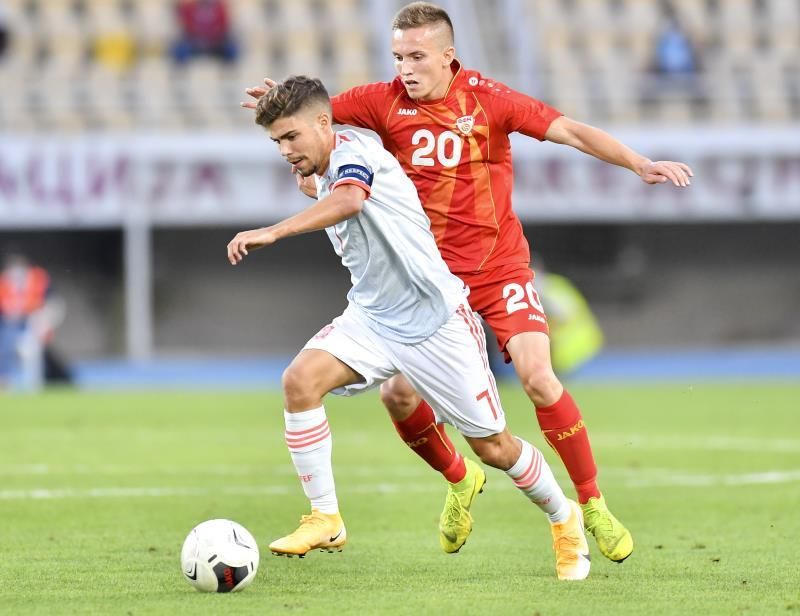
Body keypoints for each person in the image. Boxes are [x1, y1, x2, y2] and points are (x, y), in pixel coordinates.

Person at [242, 1, 694, 563]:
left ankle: (591, 503)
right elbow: (313, 118)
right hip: (425, 274)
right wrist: (277, 99)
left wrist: (638, 162)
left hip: (496, 266)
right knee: (397, 395)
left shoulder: (489, 99)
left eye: (416, 56)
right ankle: (458, 481)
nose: (404, 68)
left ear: (447, 55)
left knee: (537, 378)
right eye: (397, 56)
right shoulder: (380, 101)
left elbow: (570, 130)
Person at [227, 75, 591, 581]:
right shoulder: (315, 170)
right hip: (373, 317)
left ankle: (564, 516)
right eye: (277, 142)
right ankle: (326, 517)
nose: (285, 151)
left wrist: (275, 230)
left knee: (494, 445)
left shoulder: (356, 152)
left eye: (292, 138)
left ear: (324, 122)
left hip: (435, 321)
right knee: (299, 382)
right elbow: (326, 188)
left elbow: (351, 199)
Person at [0, 254, 64, 391]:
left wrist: (45, 322)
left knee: (32, 353)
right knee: (6, 345)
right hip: (10, 325)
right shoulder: (4, 283)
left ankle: (34, 385)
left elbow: (53, 304)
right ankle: (4, 380)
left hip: (32, 322)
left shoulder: (39, 279)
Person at [171, 0, 237, 64]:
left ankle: (230, 73)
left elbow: (223, 28)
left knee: (231, 48)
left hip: (215, 43)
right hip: (194, 43)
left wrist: (214, 40)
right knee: (180, 48)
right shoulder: (189, 8)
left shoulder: (220, 9)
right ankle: (180, 72)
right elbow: (186, 28)